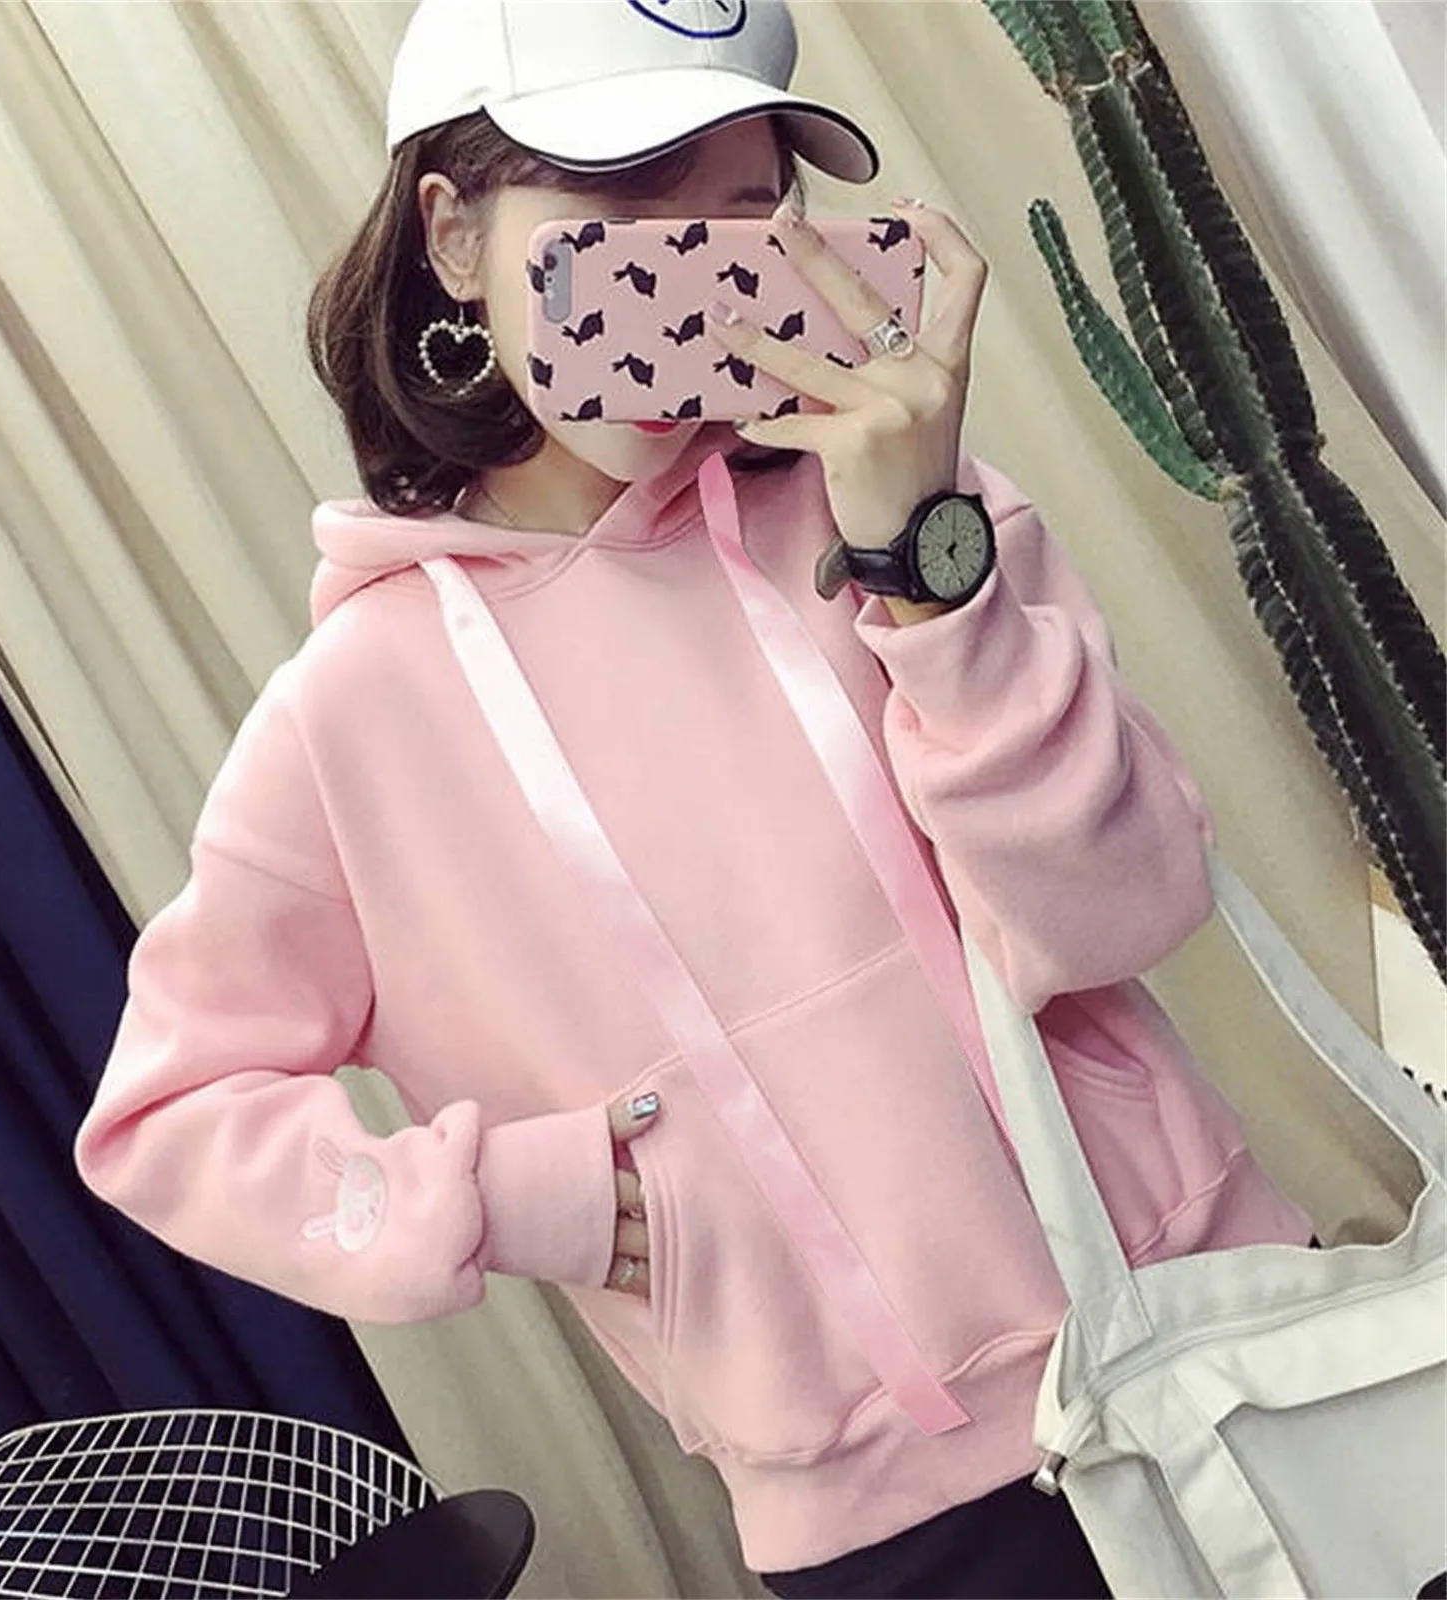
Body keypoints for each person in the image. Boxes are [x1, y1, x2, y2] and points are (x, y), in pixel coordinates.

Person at [74, 1, 1316, 1594]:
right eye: (624, 206)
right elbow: (165, 1114)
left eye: (742, 213)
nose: (694, 269)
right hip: (894, 1522)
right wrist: (511, 1198)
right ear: (453, 235)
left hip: (1222, 1332)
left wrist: (925, 568)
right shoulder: (352, 716)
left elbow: (1125, 910)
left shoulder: (913, 521)